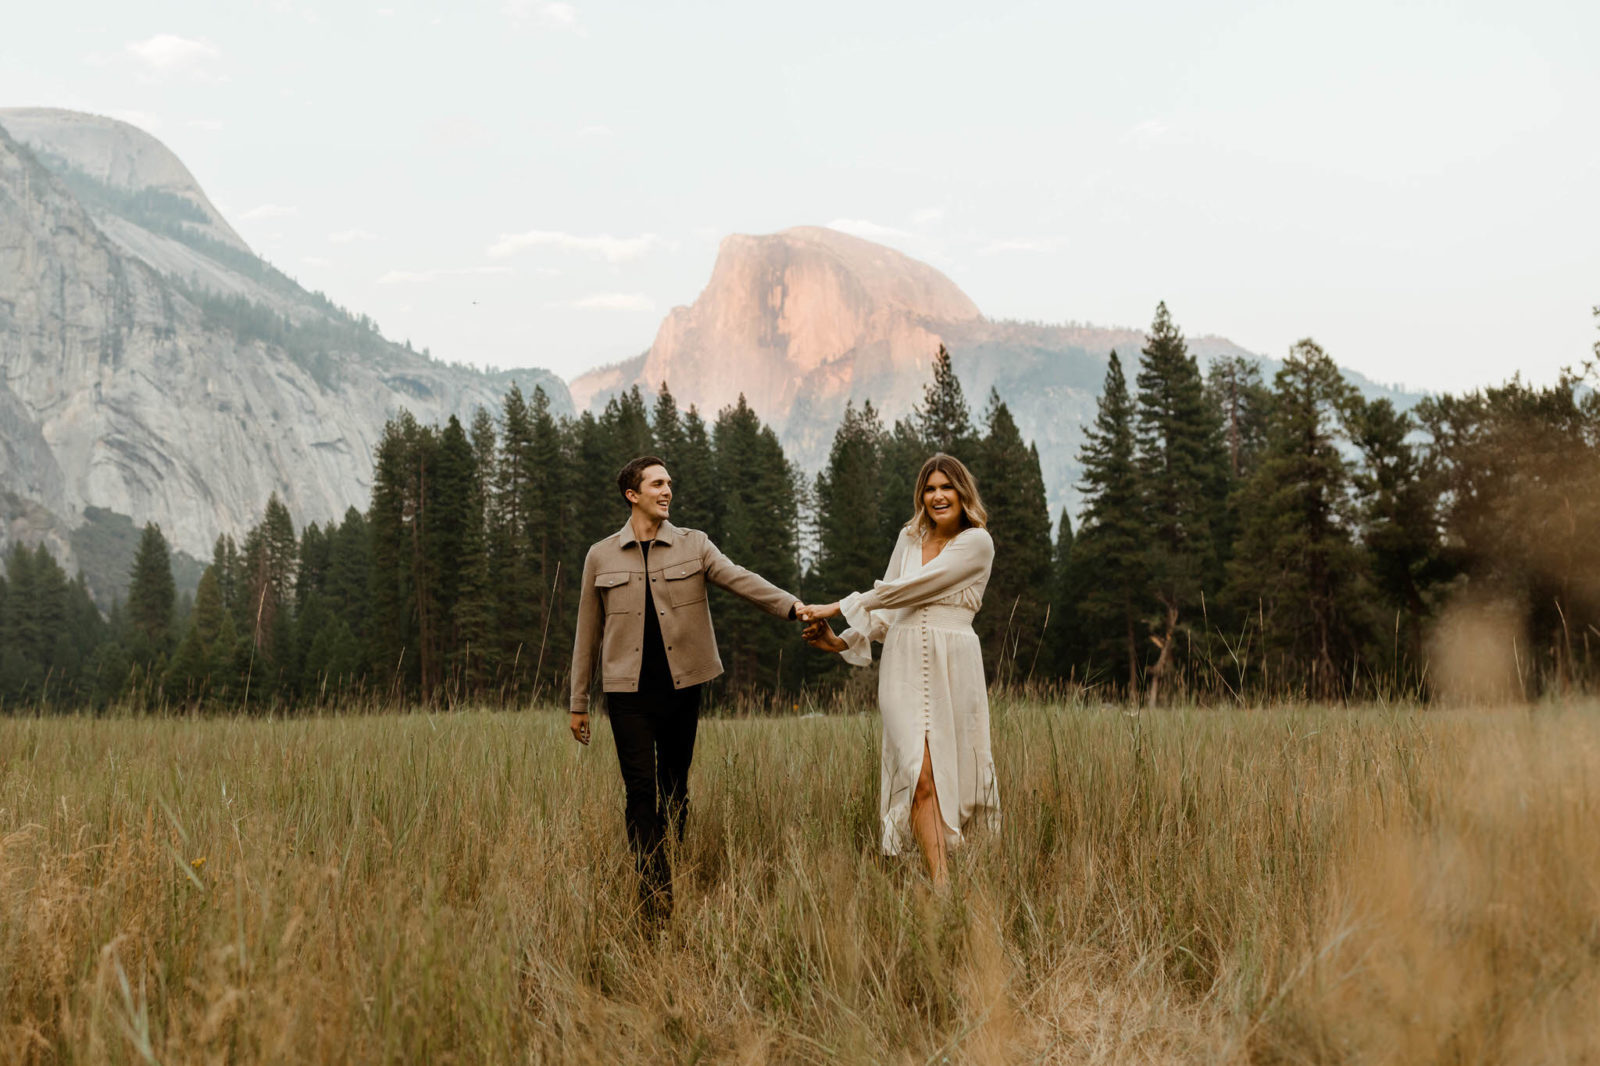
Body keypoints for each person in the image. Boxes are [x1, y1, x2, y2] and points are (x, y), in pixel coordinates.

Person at [569, 455, 803, 924]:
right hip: (626, 693)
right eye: (657, 484)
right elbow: (586, 632)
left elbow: (742, 580)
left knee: (674, 789)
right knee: (640, 790)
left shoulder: (695, 546)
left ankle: (673, 858)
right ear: (632, 494)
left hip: (682, 688)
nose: (667, 491)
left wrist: (794, 608)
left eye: (669, 483)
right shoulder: (601, 555)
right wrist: (578, 702)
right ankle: (655, 895)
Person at [800, 453, 1000, 886]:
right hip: (903, 665)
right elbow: (890, 613)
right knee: (917, 772)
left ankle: (954, 872)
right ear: (921, 496)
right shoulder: (908, 538)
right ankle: (942, 887)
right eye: (930, 489)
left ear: (962, 492)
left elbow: (911, 588)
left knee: (955, 775)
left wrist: (841, 604)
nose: (938, 496)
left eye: (947, 487)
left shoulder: (976, 542)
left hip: (955, 666)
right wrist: (840, 641)